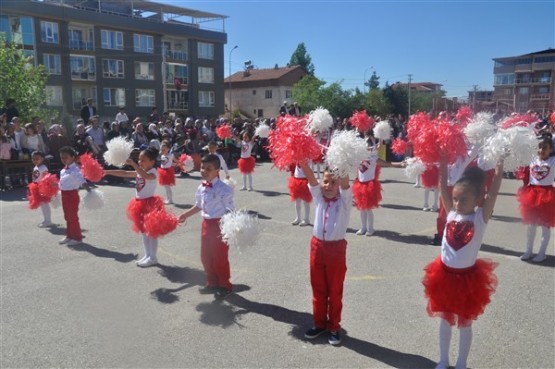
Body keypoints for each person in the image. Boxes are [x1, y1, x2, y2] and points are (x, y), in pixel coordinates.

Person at [422, 156, 504, 369]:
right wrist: (441, 157)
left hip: (467, 279)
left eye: (463, 199)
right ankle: (443, 359)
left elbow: (493, 193)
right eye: (456, 198)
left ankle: (461, 363)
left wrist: (500, 167)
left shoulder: (479, 218)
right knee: (445, 320)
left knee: (464, 323)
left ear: (478, 199)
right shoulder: (451, 213)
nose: (457, 203)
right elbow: (442, 185)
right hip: (444, 275)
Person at [299, 162, 351, 346]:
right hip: (317, 247)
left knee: (334, 290)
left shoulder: (345, 202)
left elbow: (345, 184)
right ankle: (319, 323)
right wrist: (299, 155)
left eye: (333, 183)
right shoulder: (319, 197)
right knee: (318, 288)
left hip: (336, 250)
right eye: (326, 182)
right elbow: (310, 176)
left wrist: (342, 158)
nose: (328, 186)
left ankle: (334, 327)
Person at [178, 154, 234, 300]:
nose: (204, 171)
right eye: (202, 167)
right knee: (206, 257)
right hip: (206, 225)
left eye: (208, 168)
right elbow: (199, 206)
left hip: (220, 225)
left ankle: (225, 285)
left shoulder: (224, 189)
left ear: (217, 170)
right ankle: (212, 282)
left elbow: (230, 209)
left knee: (219, 258)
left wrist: (228, 227)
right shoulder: (201, 187)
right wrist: (185, 214)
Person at [104, 147, 165, 267]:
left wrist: (133, 165)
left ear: (152, 162)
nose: (140, 162)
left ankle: (153, 257)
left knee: (151, 232)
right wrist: (108, 171)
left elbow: (146, 176)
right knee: (143, 231)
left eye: (143, 160)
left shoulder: (153, 172)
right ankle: (147, 255)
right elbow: (125, 173)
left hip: (149, 204)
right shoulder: (140, 171)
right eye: (139, 160)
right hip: (139, 204)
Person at [516, 137, 555, 263]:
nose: (541, 150)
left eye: (544, 147)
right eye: (539, 147)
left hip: (547, 196)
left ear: (551, 149)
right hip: (531, 194)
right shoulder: (532, 160)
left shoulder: (553, 161)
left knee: (545, 226)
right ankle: (528, 250)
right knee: (531, 226)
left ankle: (542, 253)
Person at [58, 146, 91, 246]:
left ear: (72, 157)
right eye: (62, 157)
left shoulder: (76, 169)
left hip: (72, 195)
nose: (63, 159)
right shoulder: (63, 170)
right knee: (67, 216)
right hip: (64, 195)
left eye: (66, 157)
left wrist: (89, 191)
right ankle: (69, 235)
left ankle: (77, 237)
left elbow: (82, 180)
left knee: (72, 217)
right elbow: (62, 183)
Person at [28, 151, 53, 227]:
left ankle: (48, 220)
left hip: (42, 187)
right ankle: (46, 219)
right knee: (42, 204)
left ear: (42, 159)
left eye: (37, 158)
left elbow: (46, 178)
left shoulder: (44, 167)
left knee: (45, 204)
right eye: (33, 159)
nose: (35, 160)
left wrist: (44, 187)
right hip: (36, 187)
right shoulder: (35, 167)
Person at [157, 140, 177, 205]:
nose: (163, 151)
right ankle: (168, 199)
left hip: (168, 172)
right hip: (162, 171)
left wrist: (177, 164)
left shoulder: (170, 155)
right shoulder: (162, 156)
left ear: (168, 149)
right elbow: (163, 163)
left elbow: (176, 161)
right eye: (162, 150)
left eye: (164, 149)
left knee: (167, 186)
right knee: (166, 186)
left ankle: (170, 199)